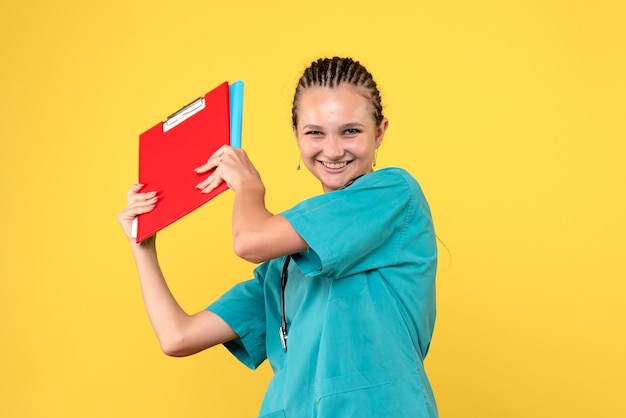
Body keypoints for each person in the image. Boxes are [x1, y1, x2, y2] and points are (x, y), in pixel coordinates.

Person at [117, 57, 438, 417]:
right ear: (296, 134)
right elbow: (178, 336)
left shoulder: (393, 195)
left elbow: (249, 241)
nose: (332, 150)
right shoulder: (283, 267)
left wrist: (247, 186)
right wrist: (141, 244)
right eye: (315, 132)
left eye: (351, 131)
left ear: (379, 132)